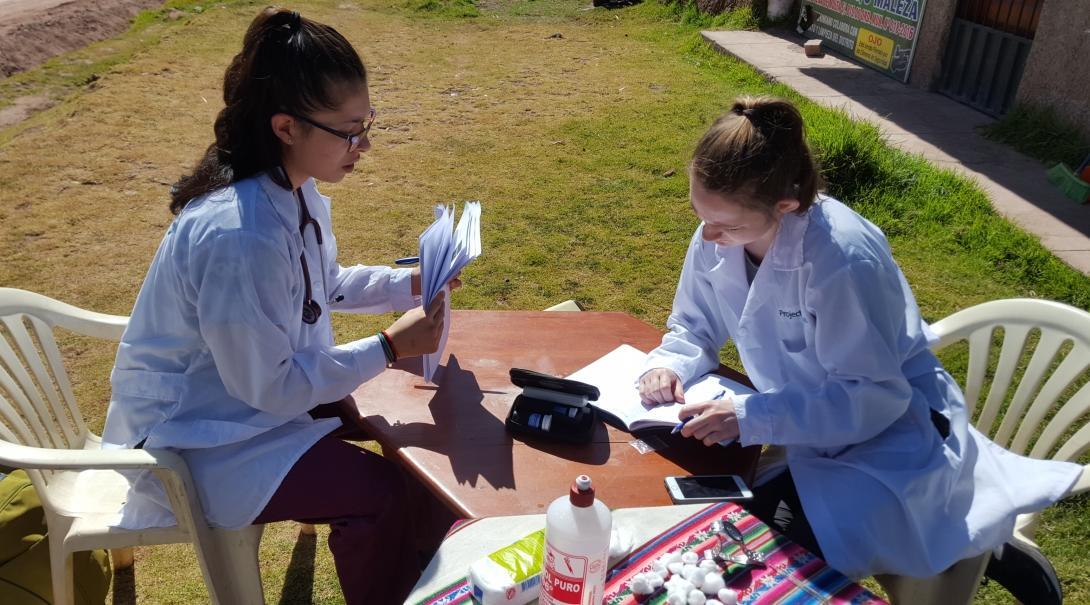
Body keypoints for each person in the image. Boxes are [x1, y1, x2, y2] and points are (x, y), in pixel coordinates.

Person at [637, 97, 1081, 595]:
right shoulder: (720, 230)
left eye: (728, 225)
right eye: (701, 214)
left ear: (785, 206)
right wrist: (670, 364)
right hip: (807, 426)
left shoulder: (841, 258)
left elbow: (873, 397)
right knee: (719, 526)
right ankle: (975, 539)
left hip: (889, 436)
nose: (710, 236)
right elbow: (692, 325)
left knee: (762, 559)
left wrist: (750, 417)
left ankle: (982, 538)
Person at [101, 8, 457, 603]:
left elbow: (323, 283)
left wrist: (410, 285)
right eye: (349, 131)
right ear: (287, 126)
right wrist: (391, 346)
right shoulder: (239, 234)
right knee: (382, 494)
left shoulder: (290, 186)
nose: (363, 145)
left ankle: (429, 570)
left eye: (368, 124)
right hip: (194, 442)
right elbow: (270, 388)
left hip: (243, 404)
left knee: (417, 447)